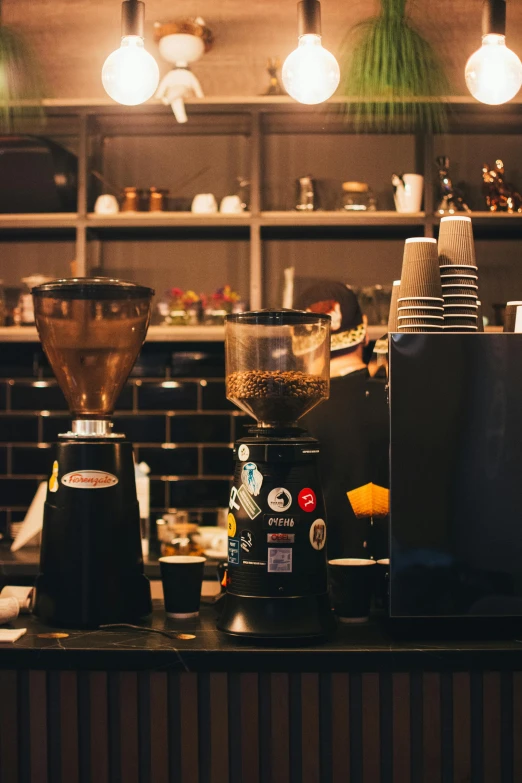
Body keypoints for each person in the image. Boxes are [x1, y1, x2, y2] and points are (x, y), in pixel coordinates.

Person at [297, 281, 389, 560]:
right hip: (396, 574)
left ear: (299, 345)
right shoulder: (398, 397)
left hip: (323, 576)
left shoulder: (296, 411)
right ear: (363, 333)